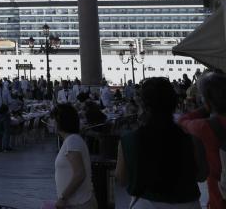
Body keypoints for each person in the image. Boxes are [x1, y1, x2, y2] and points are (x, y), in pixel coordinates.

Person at [117, 78, 206, 209]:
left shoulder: (128, 141)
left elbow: (122, 179)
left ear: (143, 106)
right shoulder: (193, 140)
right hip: (187, 204)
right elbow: (202, 175)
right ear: (174, 104)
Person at [179, 72, 226, 209]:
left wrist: (206, 108)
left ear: (207, 100)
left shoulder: (205, 127)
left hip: (220, 200)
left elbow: (183, 121)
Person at [51, 103, 95, 209]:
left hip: (79, 204)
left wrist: (63, 198)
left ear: (59, 121)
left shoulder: (72, 141)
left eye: (52, 119)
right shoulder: (71, 140)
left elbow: (79, 174)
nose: (51, 122)